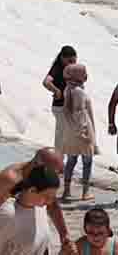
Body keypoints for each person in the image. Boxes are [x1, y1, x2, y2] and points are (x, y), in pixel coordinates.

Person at [0, 148, 71, 255]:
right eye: (56, 171)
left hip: (35, 238)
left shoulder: (46, 181)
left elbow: (52, 205)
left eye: (60, 171)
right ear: (38, 165)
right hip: (8, 242)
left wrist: (64, 234)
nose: (57, 176)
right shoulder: (9, 179)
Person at [0, 165, 61, 255]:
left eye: (52, 197)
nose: (49, 202)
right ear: (32, 190)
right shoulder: (9, 214)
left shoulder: (40, 209)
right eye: (46, 197)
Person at [59, 64, 97, 201]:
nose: (86, 75)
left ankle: (66, 191)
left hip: (70, 132)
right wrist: (84, 133)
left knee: (71, 160)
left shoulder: (68, 89)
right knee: (87, 161)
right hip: (81, 131)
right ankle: (85, 192)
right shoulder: (79, 91)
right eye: (84, 73)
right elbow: (80, 113)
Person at [44, 45, 78, 149]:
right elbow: (46, 82)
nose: (73, 64)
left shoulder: (70, 68)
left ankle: (60, 159)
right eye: (70, 61)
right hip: (60, 107)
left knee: (65, 135)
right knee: (61, 137)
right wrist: (56, 90)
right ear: (62, 58)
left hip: (67, 107)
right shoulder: (57, 68)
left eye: (74, 61)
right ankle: (58, 160)